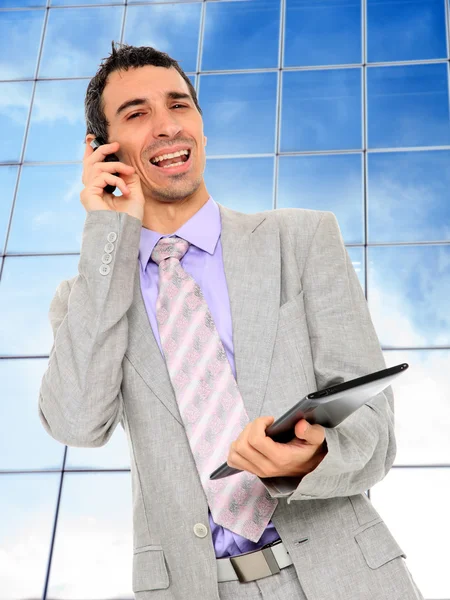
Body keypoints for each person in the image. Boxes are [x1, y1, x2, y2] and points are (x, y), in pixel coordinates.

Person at [38, 42, 424, 600]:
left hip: (346, 576)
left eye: (180, 105)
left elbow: (374, 430)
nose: (168, 127)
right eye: (137, 114)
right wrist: (106, 235)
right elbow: (76, 423)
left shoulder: (303, 239)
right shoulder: (88, 297)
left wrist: (311, 458)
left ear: (201, 123)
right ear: (101, 149)